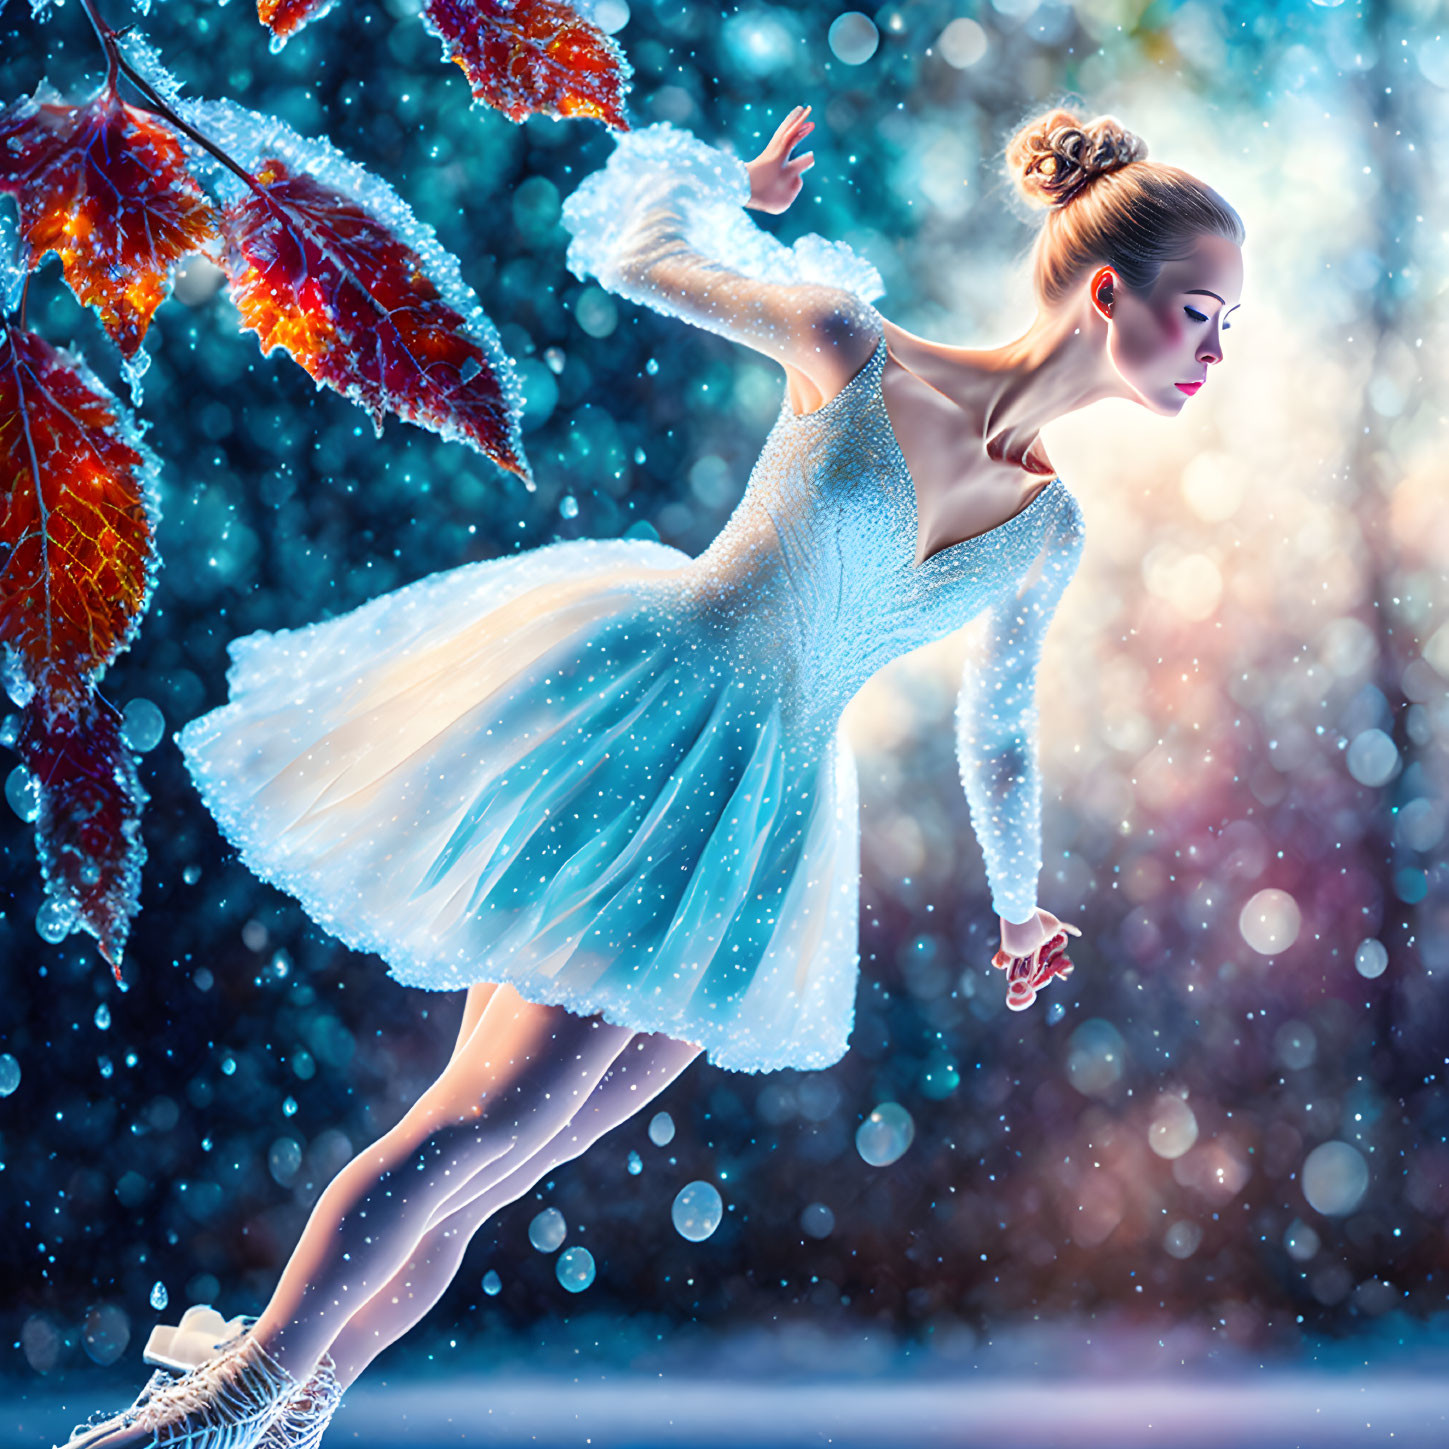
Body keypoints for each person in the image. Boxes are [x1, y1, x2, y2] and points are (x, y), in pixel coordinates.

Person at [59, 98, 1243, 1449]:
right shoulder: (851, 349)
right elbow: (636, 258)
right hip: (658, 721)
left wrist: (1018, 901)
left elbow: (1001, 727)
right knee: (491, 1109)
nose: (1216, 350)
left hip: (767, 817)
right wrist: (717, 181)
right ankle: (234, 1395)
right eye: (1202, 314)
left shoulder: (1048, 526)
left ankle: (294, 1410)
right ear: (1108, 291)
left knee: (510, 1156)